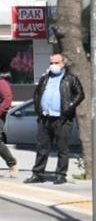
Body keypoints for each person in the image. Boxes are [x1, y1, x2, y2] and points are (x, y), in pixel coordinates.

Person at [26, 52, 85, 185]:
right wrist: (38, 110)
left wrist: (69, 107)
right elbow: (37, 94)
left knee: (62, 148)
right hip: (45, 118)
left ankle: (60, 175)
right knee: (42, 147)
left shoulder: (70, 78)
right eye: (51, 63)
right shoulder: (45, 78)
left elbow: (80, 94)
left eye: (56, 63)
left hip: (62, 119)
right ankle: (38, 174)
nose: (53, 65)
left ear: (63, 64)